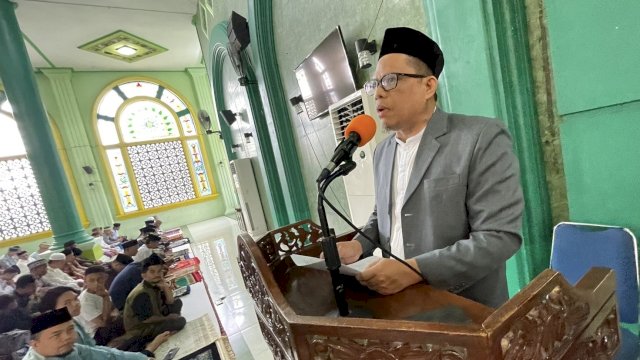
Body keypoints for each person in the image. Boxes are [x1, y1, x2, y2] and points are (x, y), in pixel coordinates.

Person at [335, 27, 524, 308]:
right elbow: (385, 215)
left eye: (390, 80)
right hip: (397, 303)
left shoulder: (480, 137)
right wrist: (359, 245)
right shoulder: (383, 151)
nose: (378, 95)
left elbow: (499, 238)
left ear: (428, 86)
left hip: (463, 309)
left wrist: (414, 270)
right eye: (375, 84)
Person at [37, 286, 170, 355]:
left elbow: (94, 351)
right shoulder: (59, 336)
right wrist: (148, 351)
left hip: (98, 350)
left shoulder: (72, 321)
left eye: (75, 299)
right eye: (67, 303)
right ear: (52, 310)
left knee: (134, 341)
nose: (76, 304)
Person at [23, 308, 156, 359]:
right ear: (35, 344)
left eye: (70, 329)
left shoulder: (71, 350)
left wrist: (144, 358)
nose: (67, 337)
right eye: (56, 335)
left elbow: (110, 356)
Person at [121, 254, 185, 350]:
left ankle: (168, 326)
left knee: (177, 302)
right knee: (180, 321)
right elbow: (147, 319)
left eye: (159, 271)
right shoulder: (141, 293)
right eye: (152, 271)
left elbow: (170, 301)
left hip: (153, 317)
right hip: (140, 329)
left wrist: (165, 286)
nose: (157, 274)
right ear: (144, 275)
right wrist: (167, 318)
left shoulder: (154, 284)